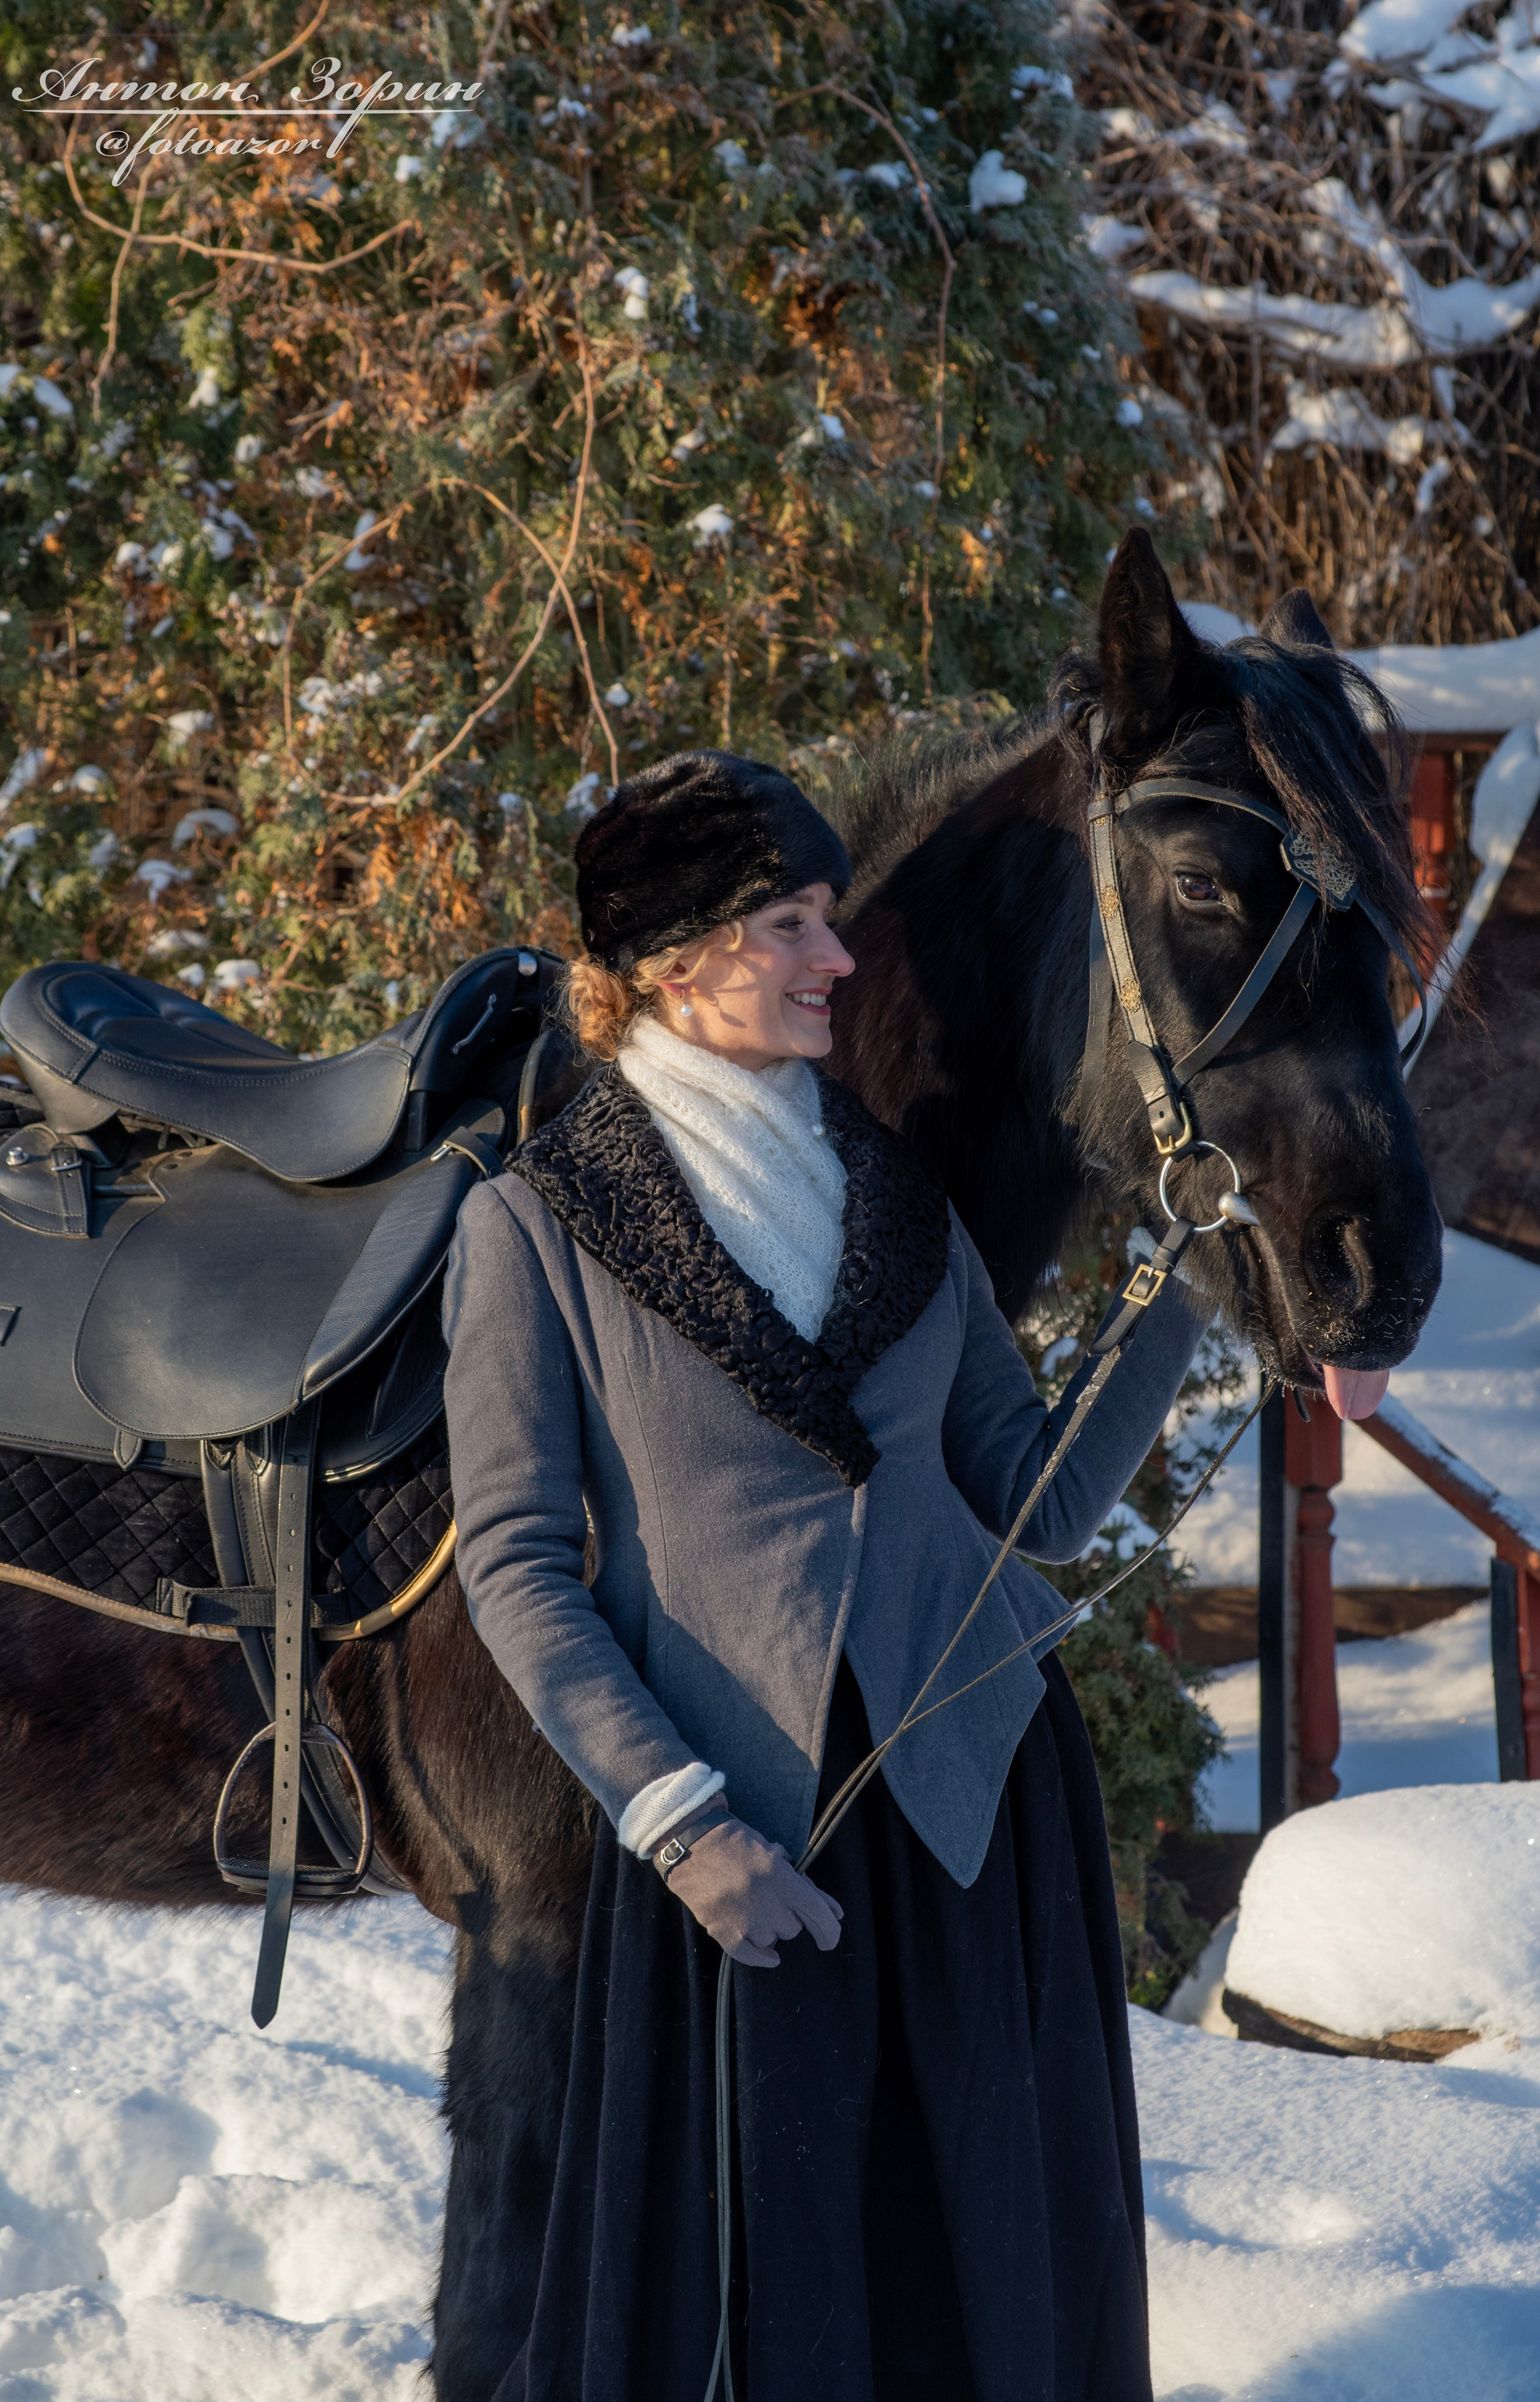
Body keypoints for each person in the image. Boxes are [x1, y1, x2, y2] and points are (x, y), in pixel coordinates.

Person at [442, 749, 1210, 2400]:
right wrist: (679, 1823)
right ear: (671, 960)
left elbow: (1041, 1501)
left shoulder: (898, 1192)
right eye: (791, 923)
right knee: (768, 2298)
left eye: (827, 918)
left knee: (990, 2266)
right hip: (751, 1833)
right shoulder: (536, 1229)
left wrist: (1191, 1287)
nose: (836, 958)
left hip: (975, 1802)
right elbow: (515, 1566)